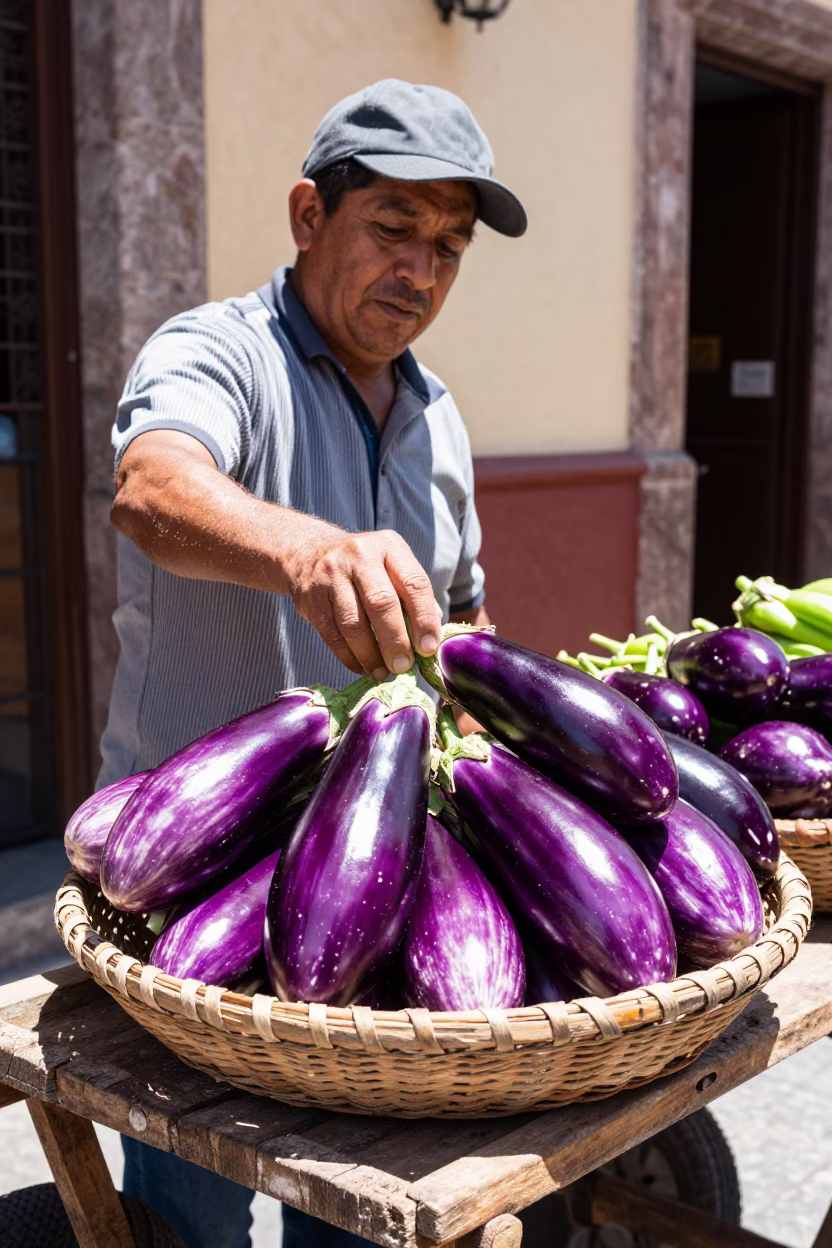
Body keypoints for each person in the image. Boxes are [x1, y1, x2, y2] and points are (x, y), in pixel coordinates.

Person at [102, 79, 527, 1248]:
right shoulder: (217, 350)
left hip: (370, 888)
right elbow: (151, 489)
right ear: (307, 216)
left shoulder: (438, 416)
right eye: (393, 227)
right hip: (194, 894)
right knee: (186, 1212)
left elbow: (463, 616)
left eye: (448, 247)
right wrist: (304, 548)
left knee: (359, 1212)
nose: (422, 272)